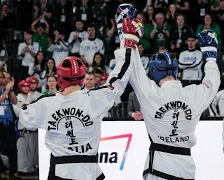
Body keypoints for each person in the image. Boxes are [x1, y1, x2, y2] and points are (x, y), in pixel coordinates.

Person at [18, 16, 143, 180]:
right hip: (89, 172)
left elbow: (25, 117)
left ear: (59, 78)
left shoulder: (46, 104)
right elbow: (118, 78)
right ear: (83, 78)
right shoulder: (95, 98)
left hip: (59, 172)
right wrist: (128, 43)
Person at [126, 9, 220, 178]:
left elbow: (133, 69)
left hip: (158, 170)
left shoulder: (151, 93)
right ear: (176, 71)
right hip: (185, 169)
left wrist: (128, 38)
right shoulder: (194, 94)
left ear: (154, 73)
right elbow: (212, 83)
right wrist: (211, 57)